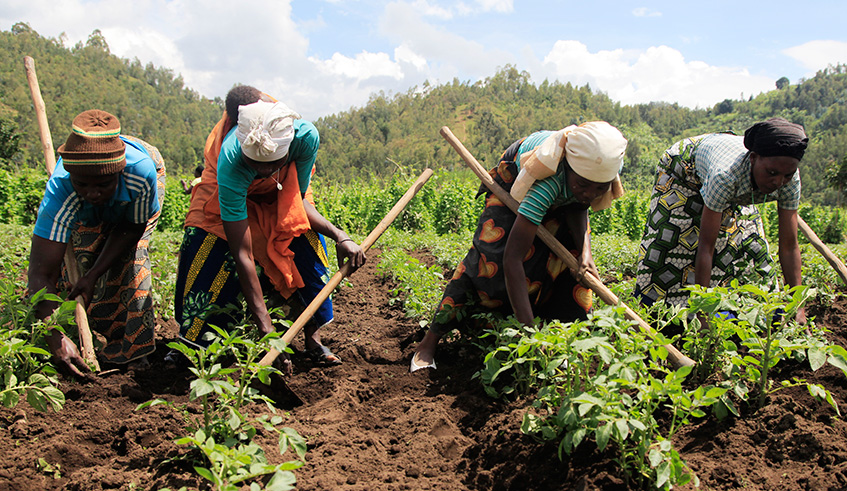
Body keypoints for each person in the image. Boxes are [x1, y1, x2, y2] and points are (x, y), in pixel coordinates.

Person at [411, 122, 628, 372]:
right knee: (488, 263)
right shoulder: (549, 182)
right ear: (569, 169)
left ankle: (560, 345)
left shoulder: (597, 172)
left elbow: (579, 204)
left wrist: (586, 254)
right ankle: (429, 342)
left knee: (570, 264)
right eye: (583, 186)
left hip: (562, 187)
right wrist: (529, 335)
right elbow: (512, 259)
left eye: (599, 189)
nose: (590, 194)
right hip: (517, 179)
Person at [173, 85, 365, 366]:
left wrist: (340, 236)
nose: (263, 171)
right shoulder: (230, 160)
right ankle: (195, 345)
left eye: (272, 163)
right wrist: (266, 328)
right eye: (256, 164)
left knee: (309, 247)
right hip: (227, 196)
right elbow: (242, 252)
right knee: (206, 250)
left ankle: (313, 339)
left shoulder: (304, 138)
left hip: (282, 193)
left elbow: (296, 201)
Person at [27, 109, 166, 375]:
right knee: (80, 257)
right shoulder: (61, 189)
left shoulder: (140, 173)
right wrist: (54, 337)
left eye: (103, 184)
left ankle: (133, 351)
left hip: (138, 186)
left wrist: (93, 276)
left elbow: (130, 229)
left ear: (117, 174)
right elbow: (40, 272)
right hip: (81, 199)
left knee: (132, 259)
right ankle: (72, 341)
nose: (92, 193)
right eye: (83, 184)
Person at [633, 118, 808, 323]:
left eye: (786, 175)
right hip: (683, 171)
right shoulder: (725, 176)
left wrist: (799, 307)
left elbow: (789, 246)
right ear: (753, 158)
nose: (778, 182)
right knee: (675, 238)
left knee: (751, 247)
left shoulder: (790, 181)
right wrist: (702, 312)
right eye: (771, 173)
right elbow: (706, 246)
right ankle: (658, 312)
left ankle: (742, 316)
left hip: (735, 183)